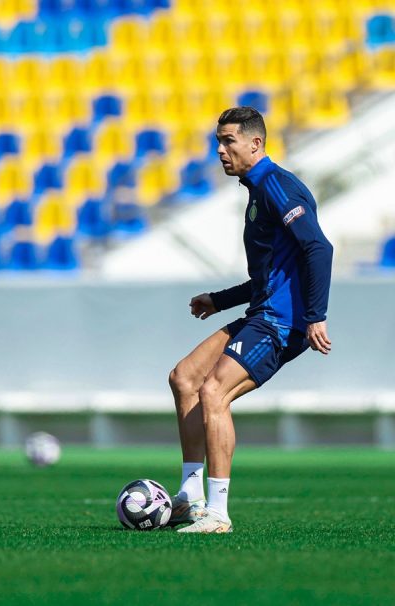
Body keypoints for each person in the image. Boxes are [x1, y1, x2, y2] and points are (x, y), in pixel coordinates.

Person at [167, 106, 333, 533]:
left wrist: (315, 317)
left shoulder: (278, 187)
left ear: (255, 143)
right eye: (218, 141)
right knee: (184, 378)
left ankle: (218, 514)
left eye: (228, 141)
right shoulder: (257, 192)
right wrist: (219, 301)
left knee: (213, 391)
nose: (220, 150)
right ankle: (189, 496)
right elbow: (266, 276)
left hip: (281, 324)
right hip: (261, 312)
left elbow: (318, 249)